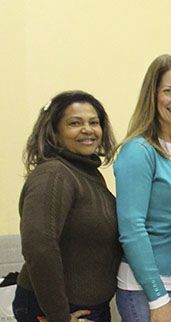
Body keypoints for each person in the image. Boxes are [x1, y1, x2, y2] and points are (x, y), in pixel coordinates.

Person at [114, 54, 171, 322]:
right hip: (147, 292)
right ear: (152, 96)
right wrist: (157, 297)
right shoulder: (138, 151)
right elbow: (132, 228)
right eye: (169, 91)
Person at [14, 91, 120, 322]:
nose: (88, 129)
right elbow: (38, 247)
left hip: (87, 308)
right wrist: (59, 316)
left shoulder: (86, 172)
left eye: (94, 122)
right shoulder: (54, 174)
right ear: (54, 132)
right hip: (56, 310)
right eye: (75, 123)